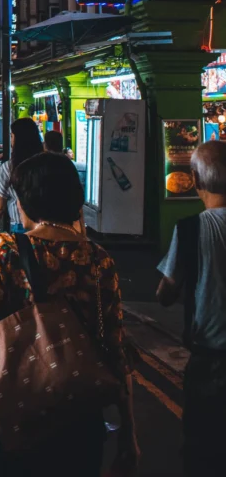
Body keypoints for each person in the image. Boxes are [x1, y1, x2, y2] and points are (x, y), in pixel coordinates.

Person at [0, 151, 138, 476]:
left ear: (26, 201)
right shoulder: (98, 259)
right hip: (79, 414)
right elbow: (115, 346)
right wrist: (129, 433)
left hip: (13, 406)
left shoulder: (6, 250)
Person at [156, 141, 226, 477]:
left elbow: (166, 294)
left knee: (202, 446)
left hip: (209, 359)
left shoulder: (189, 230)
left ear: (195, 180)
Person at [0, 118, 44, 236]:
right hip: (47, 226)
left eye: (12, 136)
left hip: (20, 225)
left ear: (18, 139)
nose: (11, 140)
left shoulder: (9, 167)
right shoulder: (46, 163)